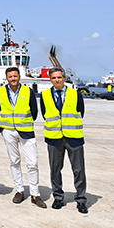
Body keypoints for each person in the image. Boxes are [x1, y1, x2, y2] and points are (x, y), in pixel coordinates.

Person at [0, 67, 46, 208]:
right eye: (10, 76)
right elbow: (0, 109)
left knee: (33, 162)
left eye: (15, 76)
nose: (13, 78)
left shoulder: (28, 91)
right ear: (7, 78)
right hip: (8, 131)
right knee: (14, 161)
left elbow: (34, 112)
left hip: (26, 131)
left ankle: (35, 194)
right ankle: (19, 191)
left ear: (19, 76)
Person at [40, 67, 88, 214]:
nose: (57, 80)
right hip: (54, 139)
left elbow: (81, 112)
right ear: (50, 80)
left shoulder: (76, 94)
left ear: (64, 78)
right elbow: (44, 113)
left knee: (78, 170)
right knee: (55, 170)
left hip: (74, 138)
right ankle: (58, 197)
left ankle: (80, 200)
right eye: (54, 78)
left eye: (59, 77)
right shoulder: (44, 95)